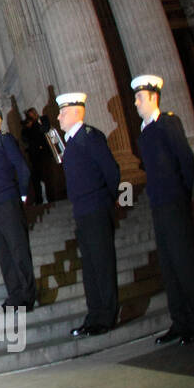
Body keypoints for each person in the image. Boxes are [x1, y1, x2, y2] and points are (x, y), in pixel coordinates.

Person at [133, 74, 194, 345]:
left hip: (174, 202)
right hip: (159, 205)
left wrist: (181, 195)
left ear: (153, 97)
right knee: (169, 266)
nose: (136, 103)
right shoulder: (145, 130)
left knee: (185, 263)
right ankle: (179, 320)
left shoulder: (168, 123)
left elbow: (186, 161)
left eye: (139, 98)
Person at [57, 92, 121, 337]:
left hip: (96, 208)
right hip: (82, 211)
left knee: (102, 264)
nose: (59, 116)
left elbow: (111, 171)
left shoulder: (90, 137)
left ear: (76, 112)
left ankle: (107, 316)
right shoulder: (72, 142)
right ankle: (94, 315)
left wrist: (106, 200)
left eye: (63, 112)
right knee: (91, 267)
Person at [0, 104, 37, 312]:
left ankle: (27, 296)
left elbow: (22, 168)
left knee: (18, 249)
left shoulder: (5, 140)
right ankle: (14, 295)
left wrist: (21, 196)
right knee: (5, 253)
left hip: (10, 202)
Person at [21, 107, 54, 204]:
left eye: (33, 113)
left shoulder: (42, 120)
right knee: (36, 178)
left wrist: (36, 124)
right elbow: (25, 138)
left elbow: (45, 129)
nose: (32, 115)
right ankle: (38, 199)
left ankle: (52, 197)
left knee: (48, 176)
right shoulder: (27, 126)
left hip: (45, 153)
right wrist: (28, 127)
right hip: (34, 155)